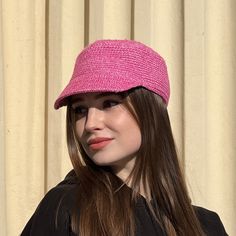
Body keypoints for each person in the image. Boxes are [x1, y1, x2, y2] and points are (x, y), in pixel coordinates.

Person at [21, 40, 228, 236]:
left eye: (109, 103)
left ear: (150, 111)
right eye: (80, 109)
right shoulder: (65, 208)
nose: (90, 123)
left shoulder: (207, 226)